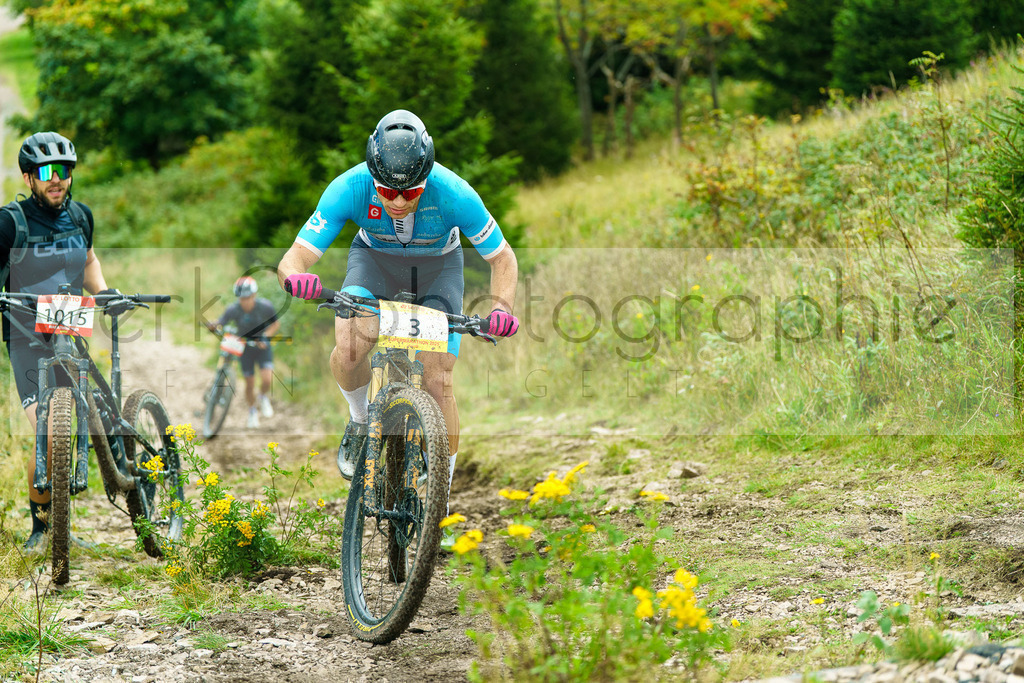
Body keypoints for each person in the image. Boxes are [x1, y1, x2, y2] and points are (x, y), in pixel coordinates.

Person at [277, 109, 519, 509]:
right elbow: (293, 258)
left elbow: (503, 258)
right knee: (353, 343)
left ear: (427, 180)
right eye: (388, 192)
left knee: (438, 380)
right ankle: (358, 421)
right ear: (374, 179)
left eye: (412, 192)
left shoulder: (454, 193)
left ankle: (439, 502)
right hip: (374, 264)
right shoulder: (349, 187)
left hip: (438, 269)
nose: (400, 201)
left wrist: (502, 308)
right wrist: (297, 278)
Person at [1, 131, 122, 550]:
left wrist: (104, 292)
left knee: (86, 415)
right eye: (47, 172)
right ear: (28, 176)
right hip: (24, 333)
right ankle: (43, 528)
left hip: (69, 325)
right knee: (47, 427)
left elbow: (88, 261)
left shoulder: (81, 215)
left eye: (65, 171)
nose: (57, 180)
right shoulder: (9, 222)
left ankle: (68, 520)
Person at [205, 276, 281, 428]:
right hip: (245, 348)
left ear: (254, 295)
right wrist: (213, 325)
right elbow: (221, 321)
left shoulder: (265, 306)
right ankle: (252, 411)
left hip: (261, 347)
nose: (244, 301)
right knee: (249, 383)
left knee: (267, 379)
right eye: (241, 298)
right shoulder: (234, 309)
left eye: (247, 297)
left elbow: (275, 324)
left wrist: (265, 337)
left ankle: (263, 397)